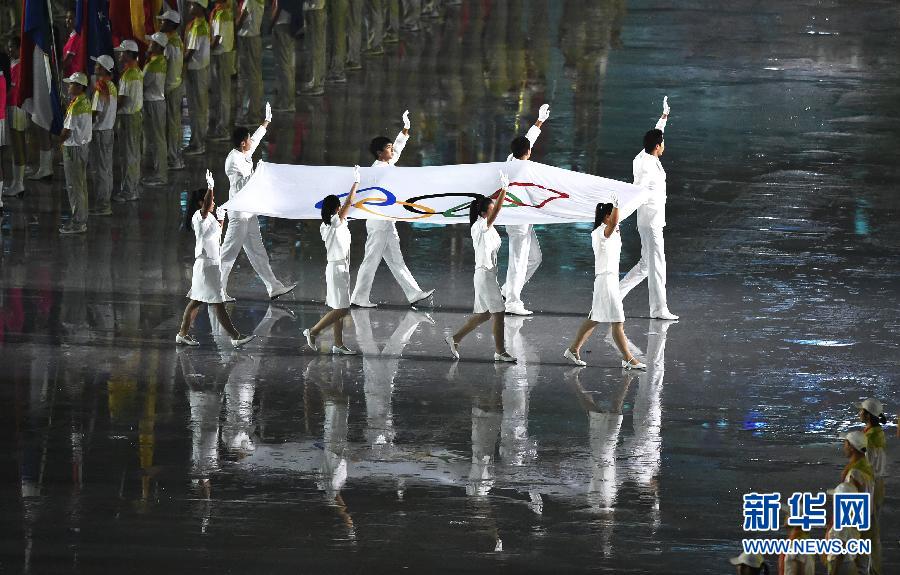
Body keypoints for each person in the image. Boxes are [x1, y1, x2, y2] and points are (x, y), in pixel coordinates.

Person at [350, 110, 434, 307]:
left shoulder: (385, 163)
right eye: (388, 149)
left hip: (387, 223)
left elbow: (398, 148)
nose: (392, 151)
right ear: (380, 153)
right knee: (371, 260)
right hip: (379, 223)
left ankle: (414, 294)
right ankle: (358, 297)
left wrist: (405, 129)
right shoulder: (378, 171)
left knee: (396, 261)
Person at [220, 103, 297, 301]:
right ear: (242, 144)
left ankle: (274, 287)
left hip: (249, 212)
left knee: (258, 251)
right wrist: (257, 174)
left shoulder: (244, 152)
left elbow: (256, 139)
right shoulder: (233, 161)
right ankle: (216, 289)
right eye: (247, 140)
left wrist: (267, 122)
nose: (250, 142)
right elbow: (239, 186)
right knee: (228, 253)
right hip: (239, 214)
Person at [176, 169, 257, 349]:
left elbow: (216, 235)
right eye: (210, 200)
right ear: (201, 202)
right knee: (217, 302)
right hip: (206, 265)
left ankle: (182, 334)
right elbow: (206, 208)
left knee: (197, 301)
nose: (213, 202)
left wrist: (221, 218)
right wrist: (210, 187)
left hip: (211, 264)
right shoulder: (199, 216)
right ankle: (235, 336)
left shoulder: (209, 218)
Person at [564, 202, 647, 369]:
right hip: (605, 280)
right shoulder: (600, 232)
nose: (618, 218)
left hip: (610, 280)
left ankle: (573, 349)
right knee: (618, 321)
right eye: (614, 214)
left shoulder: (612, 231)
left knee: (595, 318)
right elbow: (614, 222)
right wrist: (616, 205)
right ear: (607, 216)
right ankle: (628, 358)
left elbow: (615, 224)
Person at [445, 172, 516, 363]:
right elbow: (498, 209)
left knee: (485, 314)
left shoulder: (486, 227)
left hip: (487, 274)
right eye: (491, 210)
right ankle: (500, 352)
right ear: (484, 213)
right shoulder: (480, 226)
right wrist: (504, 189)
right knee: (499, 313)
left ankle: (455, 338)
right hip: (484, 274)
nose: (494, 212)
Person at [619, 96, 679, 321]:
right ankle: (658, 308)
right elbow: (637, 191)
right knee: (657, 264)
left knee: (646, 265)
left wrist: (664, 117)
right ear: (657, 146)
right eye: (663, 143)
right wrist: (619, 216)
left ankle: (614, 295)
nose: (664, 145)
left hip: (650, 220)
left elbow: (656, 133)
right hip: (650, 221)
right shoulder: (646, 166)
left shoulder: (643, 155)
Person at [303, 166, 361, 355]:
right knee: (342, 309)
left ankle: (338, 343)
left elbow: (346, 210)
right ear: (336, 208)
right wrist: (356, 182)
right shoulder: (334, 222)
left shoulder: (330, 224)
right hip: (337, 269)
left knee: (339, 307)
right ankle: (313, 331)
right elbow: (350, 202)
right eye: (339, 206)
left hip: (339, 267)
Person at [502, 103, 549, 315]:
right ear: (528, 152)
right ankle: (512, 302)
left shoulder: (511, 159)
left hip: (523, 219)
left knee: (534, 258)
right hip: (517, 220)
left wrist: (540, 121)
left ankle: (508, 291)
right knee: (518, 261)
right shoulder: (526, 170)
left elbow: (528, 139)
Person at [58, 72, 92, 235]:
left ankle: (78, 222)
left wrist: (57, 142)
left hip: (73, 149)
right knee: (81, 185)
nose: (68, 86)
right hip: (83, 146)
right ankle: (82, 218)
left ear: (79, 87)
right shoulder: (84, 101)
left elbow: (67, 131)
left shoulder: (77, 106)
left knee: (74, 186)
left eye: (71, 84)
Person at [838, 429, 874, 575]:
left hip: (854, 525)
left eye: (845, 443)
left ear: (852, 447)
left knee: (852, 564)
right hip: (867, 520)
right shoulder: (867, 467)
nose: (844, 447)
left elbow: (850, 504)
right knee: (862, 565)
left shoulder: (854, 473)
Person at [858, 398, 887, 575]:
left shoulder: (869, 439)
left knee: (868, 530)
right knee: (871, 528)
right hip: (877, 483)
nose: (859, 413)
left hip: (871, 485)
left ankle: (871, 570)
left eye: (861, 411)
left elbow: (866, 467)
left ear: (868, 415)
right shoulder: (877, 434)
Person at [112, 39, 143, 202]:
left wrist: (111, 113)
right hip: (134, 115)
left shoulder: (129, 74)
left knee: (128, 154)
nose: (120, 54)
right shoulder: (136, 71)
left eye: (122, 52)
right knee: (133, 152)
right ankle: (132, 187)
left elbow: (122, 99)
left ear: (129, 54)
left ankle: (129, 190)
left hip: (128, 117)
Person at [88, 55, 117, 216]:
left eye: (98, 65)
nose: (95, 67)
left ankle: (103, 205)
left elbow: (95, 113)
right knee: (106, 168)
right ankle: (106, 201)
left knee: (100, 170)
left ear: (104, 69)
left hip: (100, 132)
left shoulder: (100, 89)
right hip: (108, 130)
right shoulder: (111, 86)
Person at [157, 10, 185, 170]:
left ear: (170, 24)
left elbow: (165, 68)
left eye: (163, 21)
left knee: (172, 124)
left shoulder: (169, 44)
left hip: (170, 87)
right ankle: (174, 156)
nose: (160, 23)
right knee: (174, 122)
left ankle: (173, 158)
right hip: (176, 84)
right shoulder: (176, 40)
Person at [184, 0, 211, 156]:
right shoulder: (199, 24)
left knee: (197, 108)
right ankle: (196, 140)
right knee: (197, 107)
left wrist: (179, 63)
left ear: (200, 7)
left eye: (193, 4)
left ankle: (198, 143)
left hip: (197, 70)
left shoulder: (198, 27)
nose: (190, 7)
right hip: (198, 69)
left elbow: (190, 52)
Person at [142, 32, 168, 187]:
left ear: (158, 46)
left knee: (158, 140)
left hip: (154, 103)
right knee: (157, 138)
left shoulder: (153, 64)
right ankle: (158, 171)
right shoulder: (160, 60)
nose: (149, 44)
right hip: (157, 101)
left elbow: (143, 83)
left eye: (152, 42)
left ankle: (161, 175)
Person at [2, 37, 26, 198]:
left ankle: (18, 184)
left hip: (15, 107)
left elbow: (11, 90)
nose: (9, 50)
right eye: (8, 47)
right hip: (11, 106)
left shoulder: (18, 65)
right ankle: (17, 183)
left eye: (12, 47)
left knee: (17, 145)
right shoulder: (12, 63)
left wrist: (2, 102)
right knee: (16, 144)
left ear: (19, 48)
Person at [209, 0, 236, 137]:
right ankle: (221, 124)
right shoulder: (226, 11)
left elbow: (217, 37)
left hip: (221, 54)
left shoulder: (221, 14)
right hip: (225, 53)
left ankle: (223, 129)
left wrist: (207, 49)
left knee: (223, 92)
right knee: (222, 91)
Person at [235, 0, 265, 124]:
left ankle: (253, 114)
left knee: (250, 78)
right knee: (254, 77)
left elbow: (240, 20)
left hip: (248, 38)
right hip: (253, 36)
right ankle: (253, 112)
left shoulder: (249, 1)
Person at [825, 481, 862, 575]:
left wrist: (834, 572)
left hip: (841, 567)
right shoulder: (852, 520)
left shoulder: (841, 524)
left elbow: (839, 552)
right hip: (849, 565)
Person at [269, 0, 296, 111]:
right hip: (283, 25)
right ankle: (284, 99)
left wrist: (271, 23)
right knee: (284, 66)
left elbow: (278, 7)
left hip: (283, 25)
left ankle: (288, 103)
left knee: (285, 66)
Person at [300, 0, 327, 96]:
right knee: (316, 48)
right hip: (315, 8)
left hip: (315, 8)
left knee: (316, 48)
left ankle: (317, 84)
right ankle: (317, 81)